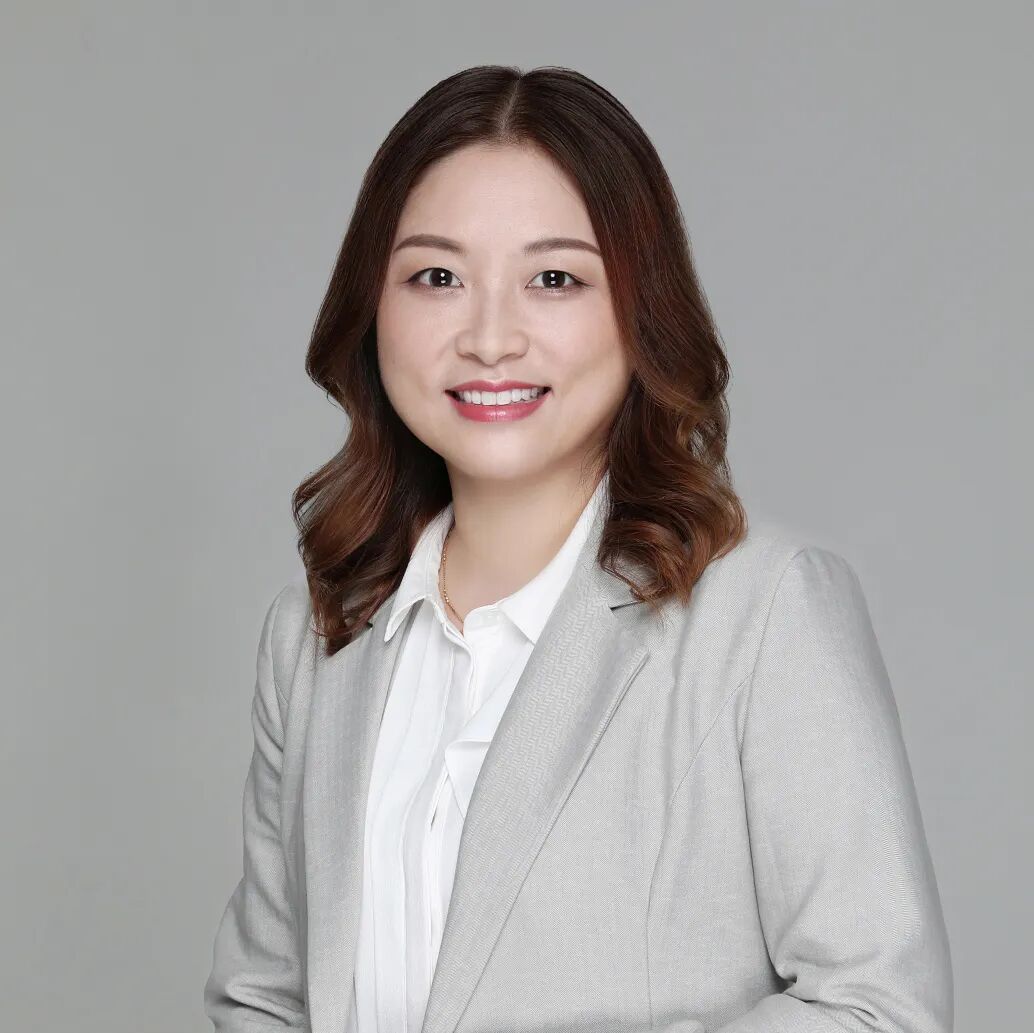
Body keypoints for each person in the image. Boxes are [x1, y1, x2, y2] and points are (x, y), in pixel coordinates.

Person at [204, 65, 953, 1033]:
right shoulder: (315, 636)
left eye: (553, 279)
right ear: (371, 306)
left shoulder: (763, 613)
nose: (489, 339)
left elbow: (876, 1008)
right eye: (437, 277)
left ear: (641, 311)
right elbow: (263, 997)